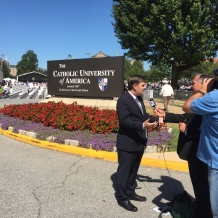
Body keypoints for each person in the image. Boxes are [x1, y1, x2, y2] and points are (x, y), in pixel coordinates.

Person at [155, 74, 213, 218]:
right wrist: (166, 115)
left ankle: (203, 213)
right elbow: (185, 117)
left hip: (200, 154)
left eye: (194, 83)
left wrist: (186, 130)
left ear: (203, 84)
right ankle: (202, 208)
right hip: (195, 154)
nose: (191, 85)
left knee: (202, 188)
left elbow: (205, 129)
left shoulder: (208, 101)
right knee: (199, 187)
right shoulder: (200, 100)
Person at [116, 75, 158, 212]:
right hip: (128, 142)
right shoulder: (123, 100)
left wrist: (155, 118)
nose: (145, 87)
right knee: (125, 171)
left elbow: (142, 117)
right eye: (143, 85)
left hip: (139, 141)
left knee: (133, 170)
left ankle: (130, 192)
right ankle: (122, 198)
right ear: (135, 86)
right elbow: (125, 120)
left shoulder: (138, 98)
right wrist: (142, 125)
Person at [183, 76, 218, 218]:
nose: (191, 85)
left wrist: (203, 92)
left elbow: (186, 107)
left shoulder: (212, 98)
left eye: (194, 83)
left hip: (213, 159)